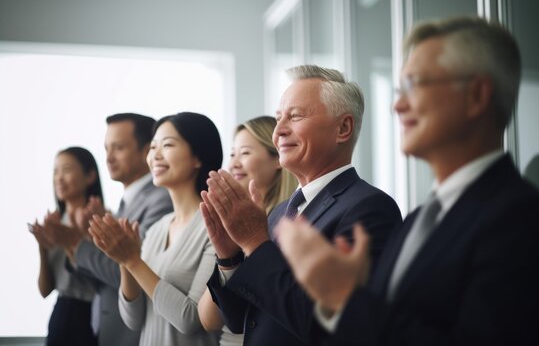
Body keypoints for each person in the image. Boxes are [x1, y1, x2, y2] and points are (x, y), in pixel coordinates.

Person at [275, 16, 539, 345]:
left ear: (476, 96)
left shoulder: (522, 219)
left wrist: (344, 300)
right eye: (400, 90)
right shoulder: (418, 220)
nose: (398, 105)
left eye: (416, 85)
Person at [201, 66, 402, 345]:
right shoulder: (279, 213)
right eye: (278, 118)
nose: (279, 131)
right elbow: (239, 320)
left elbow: (335, 326)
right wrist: (229, 257)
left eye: (295, 116)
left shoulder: (370, 208)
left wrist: (255, 243)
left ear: (343, 128)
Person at [89, 112, 223, 346]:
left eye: (168, 145)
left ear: (198, 158)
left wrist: (132, 261)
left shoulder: (216, 227)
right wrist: (123, 260)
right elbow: (134, 319)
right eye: (152, 147)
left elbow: (191, 319)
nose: (155, 156)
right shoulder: (157, 229)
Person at [64, 113, 173, 346]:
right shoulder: (123, 203)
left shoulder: (161, 200)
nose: (108, 158)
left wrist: (75, 242)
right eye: (106, 149)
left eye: (119, 148)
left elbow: (131, 271)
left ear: (147, 151)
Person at [197, 116, 298, 345]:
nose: (233, 163)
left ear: (277, 159)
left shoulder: (291, 220)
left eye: (245, 153)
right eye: (232, 154)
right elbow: (208, 318)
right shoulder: (235, 225)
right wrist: (226, 257)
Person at [28, 147, 102, 346]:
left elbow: (102, 278)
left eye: (67, 170)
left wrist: (78, 237)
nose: (59, 178)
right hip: (60, 314)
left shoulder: (102, 220)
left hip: (92, 316)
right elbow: (45, 291)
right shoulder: (54, 223)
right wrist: (42, 249)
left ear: (90, 176)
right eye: (55, 171)